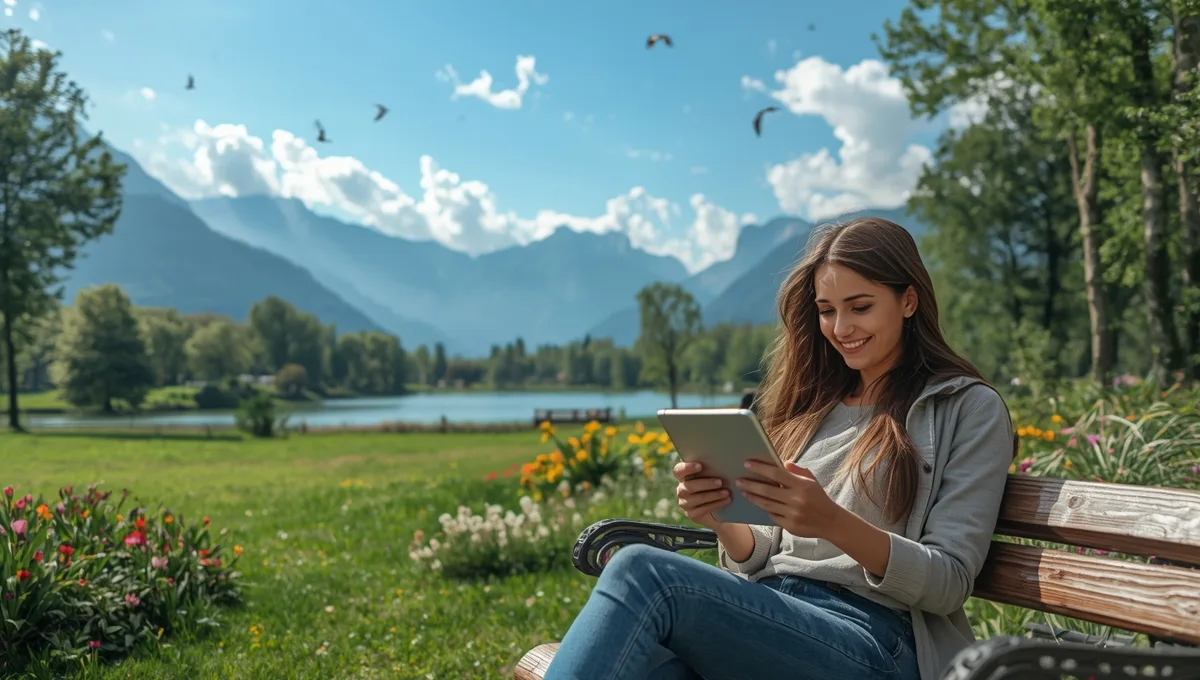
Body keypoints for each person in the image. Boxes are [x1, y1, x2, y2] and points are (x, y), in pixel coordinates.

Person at [542, 217, 1016, 680]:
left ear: (908, 300)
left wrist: (832, 521)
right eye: (827, 310)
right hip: (777, 617)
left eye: (860, 306)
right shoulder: (817, 407)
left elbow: (950, 582)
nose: (840, 327)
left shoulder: (966, 408)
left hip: (875, 639)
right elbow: (761, 553)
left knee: (640, 572)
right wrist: (719, 516)